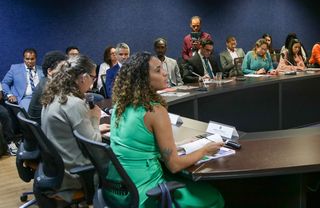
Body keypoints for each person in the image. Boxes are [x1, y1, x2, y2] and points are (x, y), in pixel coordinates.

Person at [105, 52, 224, 207]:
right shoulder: (155, 111)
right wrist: (205, 151)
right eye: (157, 70)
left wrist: (179, 146)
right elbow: (174, 165)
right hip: (145, 194)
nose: (165, 73)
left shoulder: (119, 107)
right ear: (143, 78)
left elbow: (140, 145)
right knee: (214, 198)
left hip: (117, 191)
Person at [40, 55, 110, 206]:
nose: (93, 82)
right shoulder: (74, 104)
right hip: (75, 175)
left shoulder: (53, 95)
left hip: (57, 168)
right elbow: (93, 143)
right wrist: (95, 117)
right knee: (119, 160)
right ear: (83, 78)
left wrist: (94, 127)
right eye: (93, 77)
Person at [28, 50, 67, 125]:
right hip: (44, 127)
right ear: (50, 71)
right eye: (62, 68)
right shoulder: (48, 87)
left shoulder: (44, 81)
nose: (65, 72)